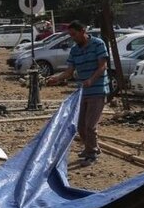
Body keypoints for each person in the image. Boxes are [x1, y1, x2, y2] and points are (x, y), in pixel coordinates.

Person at [44, 20, 109, 164]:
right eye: (70, 35)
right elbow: (69, 71)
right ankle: (91, 148)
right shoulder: (74, 50)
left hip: (97, 90)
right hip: (82, 92)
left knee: (90, 125)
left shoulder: (98, 44)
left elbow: (102, 66)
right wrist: (57, 78)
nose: (73, 38)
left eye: (74, 34)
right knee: (80, 126)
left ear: (83, 31)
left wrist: (91, 80)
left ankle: (91, 154)